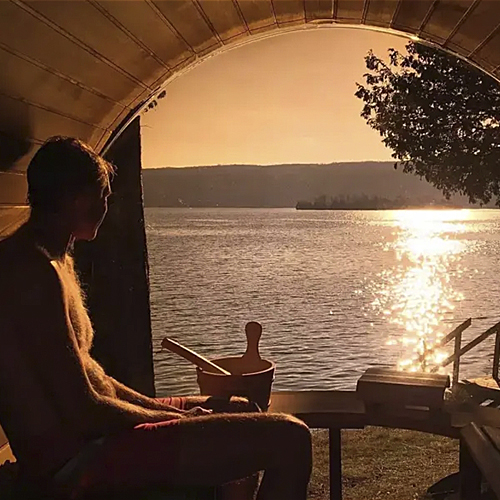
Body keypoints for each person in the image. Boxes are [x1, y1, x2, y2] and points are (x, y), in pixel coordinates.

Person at [0, 137, 312, 499]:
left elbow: (94, 380)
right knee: (291, 438)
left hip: (93, 434)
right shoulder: (31, 273)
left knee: (239, 407)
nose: (106, 206)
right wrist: (182, 420)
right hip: (76, 460)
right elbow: (83, 408)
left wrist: (182, 414)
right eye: (104, 196)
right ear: (78, 199)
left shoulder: (55, 260)